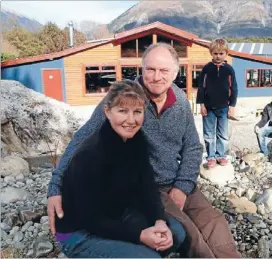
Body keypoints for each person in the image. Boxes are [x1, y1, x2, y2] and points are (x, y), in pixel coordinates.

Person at [47, 43, 241, 258]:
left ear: (176, 73)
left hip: (178, 180)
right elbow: (80, 139)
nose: (157, 77)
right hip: (147, 187)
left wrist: (182, 186)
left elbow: (193, 147)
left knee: (213, 220)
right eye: (151, 69)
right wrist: (55, 188)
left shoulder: (181, 103)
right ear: (142, 69)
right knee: (189, 234)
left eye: (164, 70)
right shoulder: (125, 99)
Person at [54, 80, 186, 258]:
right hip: (79, 231)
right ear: (107, 112)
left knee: (176, 233)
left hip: (117, 215)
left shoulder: (137, 141)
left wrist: (159, 221)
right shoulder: (89, 155)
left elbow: (148, 187)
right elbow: (89, 218)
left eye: (137, 112)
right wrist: (139, 235)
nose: (131, 120)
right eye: (123, 111)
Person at [196, 38, 238, 168]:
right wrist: (201, 105)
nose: (218, 56)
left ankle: (221, 155)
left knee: (223, 134)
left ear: (226, 53)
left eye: (221, 53)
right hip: (208, 108)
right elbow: (201, 87)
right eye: (215, 53)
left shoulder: (229, 69)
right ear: (211, 53)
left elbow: (234, 88)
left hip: (224, 107)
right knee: (209, 134)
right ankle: (210, 157)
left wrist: (232, 106)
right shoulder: (207, 69)